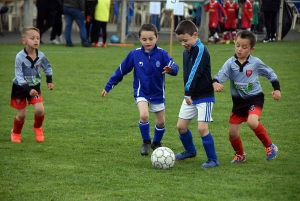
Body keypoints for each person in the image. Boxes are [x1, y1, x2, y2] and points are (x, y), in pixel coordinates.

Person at [101, 24, 179, 156]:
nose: (147, 42)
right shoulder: (134, 54)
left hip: (158, 92)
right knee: (144, 115)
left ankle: (157, 143)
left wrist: (171, 70)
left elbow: (174, 66)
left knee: (161, 122)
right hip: (141, 91)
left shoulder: (162, 54)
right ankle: (146, 142)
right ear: (139, 39)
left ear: (156, 38)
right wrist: (109, 86)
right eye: (144, 39)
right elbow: (121, 71)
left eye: (150, 38)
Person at [212, 30, 280, 163]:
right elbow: (219, 76)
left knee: (252, 121)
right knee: (232, 133)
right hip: (238, 103)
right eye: (237, 45)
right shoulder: (230, 63)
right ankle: (240, 155)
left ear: (251, 49)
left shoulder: (255, 63)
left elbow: (270, 73)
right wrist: (215, 83)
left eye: (244, 47)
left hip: (255, 98)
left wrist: (276, 89)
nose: (239, 49)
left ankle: (270, 146)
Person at [174, 20, 219, 168]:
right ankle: (190, 151)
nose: (183, 44)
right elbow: (187, 75)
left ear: (195, 35)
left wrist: (188, 92)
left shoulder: (200, 49)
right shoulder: (186, 52)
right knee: (181, 126)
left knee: (202, 128)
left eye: (185, 40)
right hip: (191, 96)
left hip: (204, 96)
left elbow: (195, 73)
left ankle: (213, 160)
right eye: (181, 41)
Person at [10, 26, 54, 143]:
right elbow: (18, 76)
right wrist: (28, 89)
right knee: (22, 114)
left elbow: (47, 68)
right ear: (24, 41)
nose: (36, 40)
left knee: (40, 110)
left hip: (35, 86)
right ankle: (15, 132)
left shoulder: (41, 56)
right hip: (20, 87)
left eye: (38, 38)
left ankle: (38, 128)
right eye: (32, 38)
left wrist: (49, 81)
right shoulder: (19, 57)